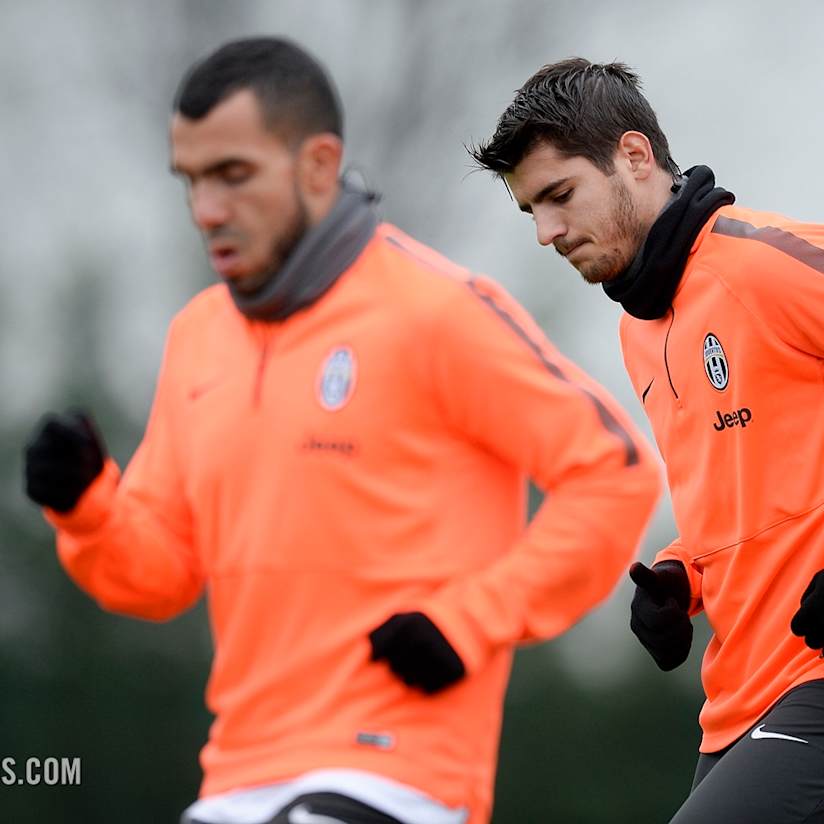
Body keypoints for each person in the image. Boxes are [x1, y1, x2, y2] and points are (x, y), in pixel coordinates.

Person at [23, 41, 660, 824]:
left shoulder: (435, 309)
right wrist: (85, 506)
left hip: (396, 770)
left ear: (319, 165)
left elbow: (616, 471)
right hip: (237, 773)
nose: (207, 210)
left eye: (233, 175)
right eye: (191, 181)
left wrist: (469, 621)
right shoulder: (198, 335)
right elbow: (161, 575)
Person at [470, 57, 824, 823]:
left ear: (633, 157)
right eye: (530, 210)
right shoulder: (641, 330)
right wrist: (680, 578)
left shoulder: (769, 266)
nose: (546, 233)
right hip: (737, 700)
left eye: (559, 196)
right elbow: (751, 495)